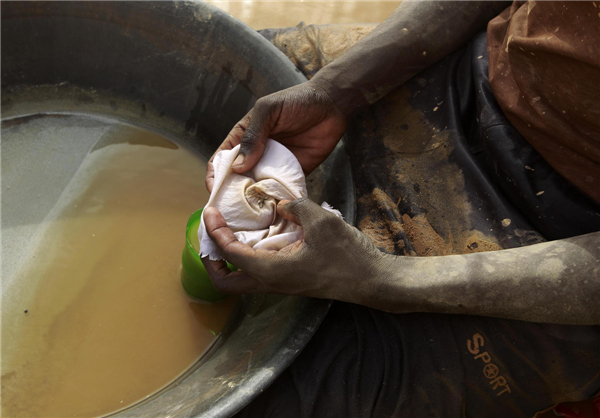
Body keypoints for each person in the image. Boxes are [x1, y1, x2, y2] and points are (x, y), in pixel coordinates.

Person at [201, 1, 600, 416]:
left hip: (557, 251)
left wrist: (384, 278)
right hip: (468, 68)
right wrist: (337, 91)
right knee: (216, 71)